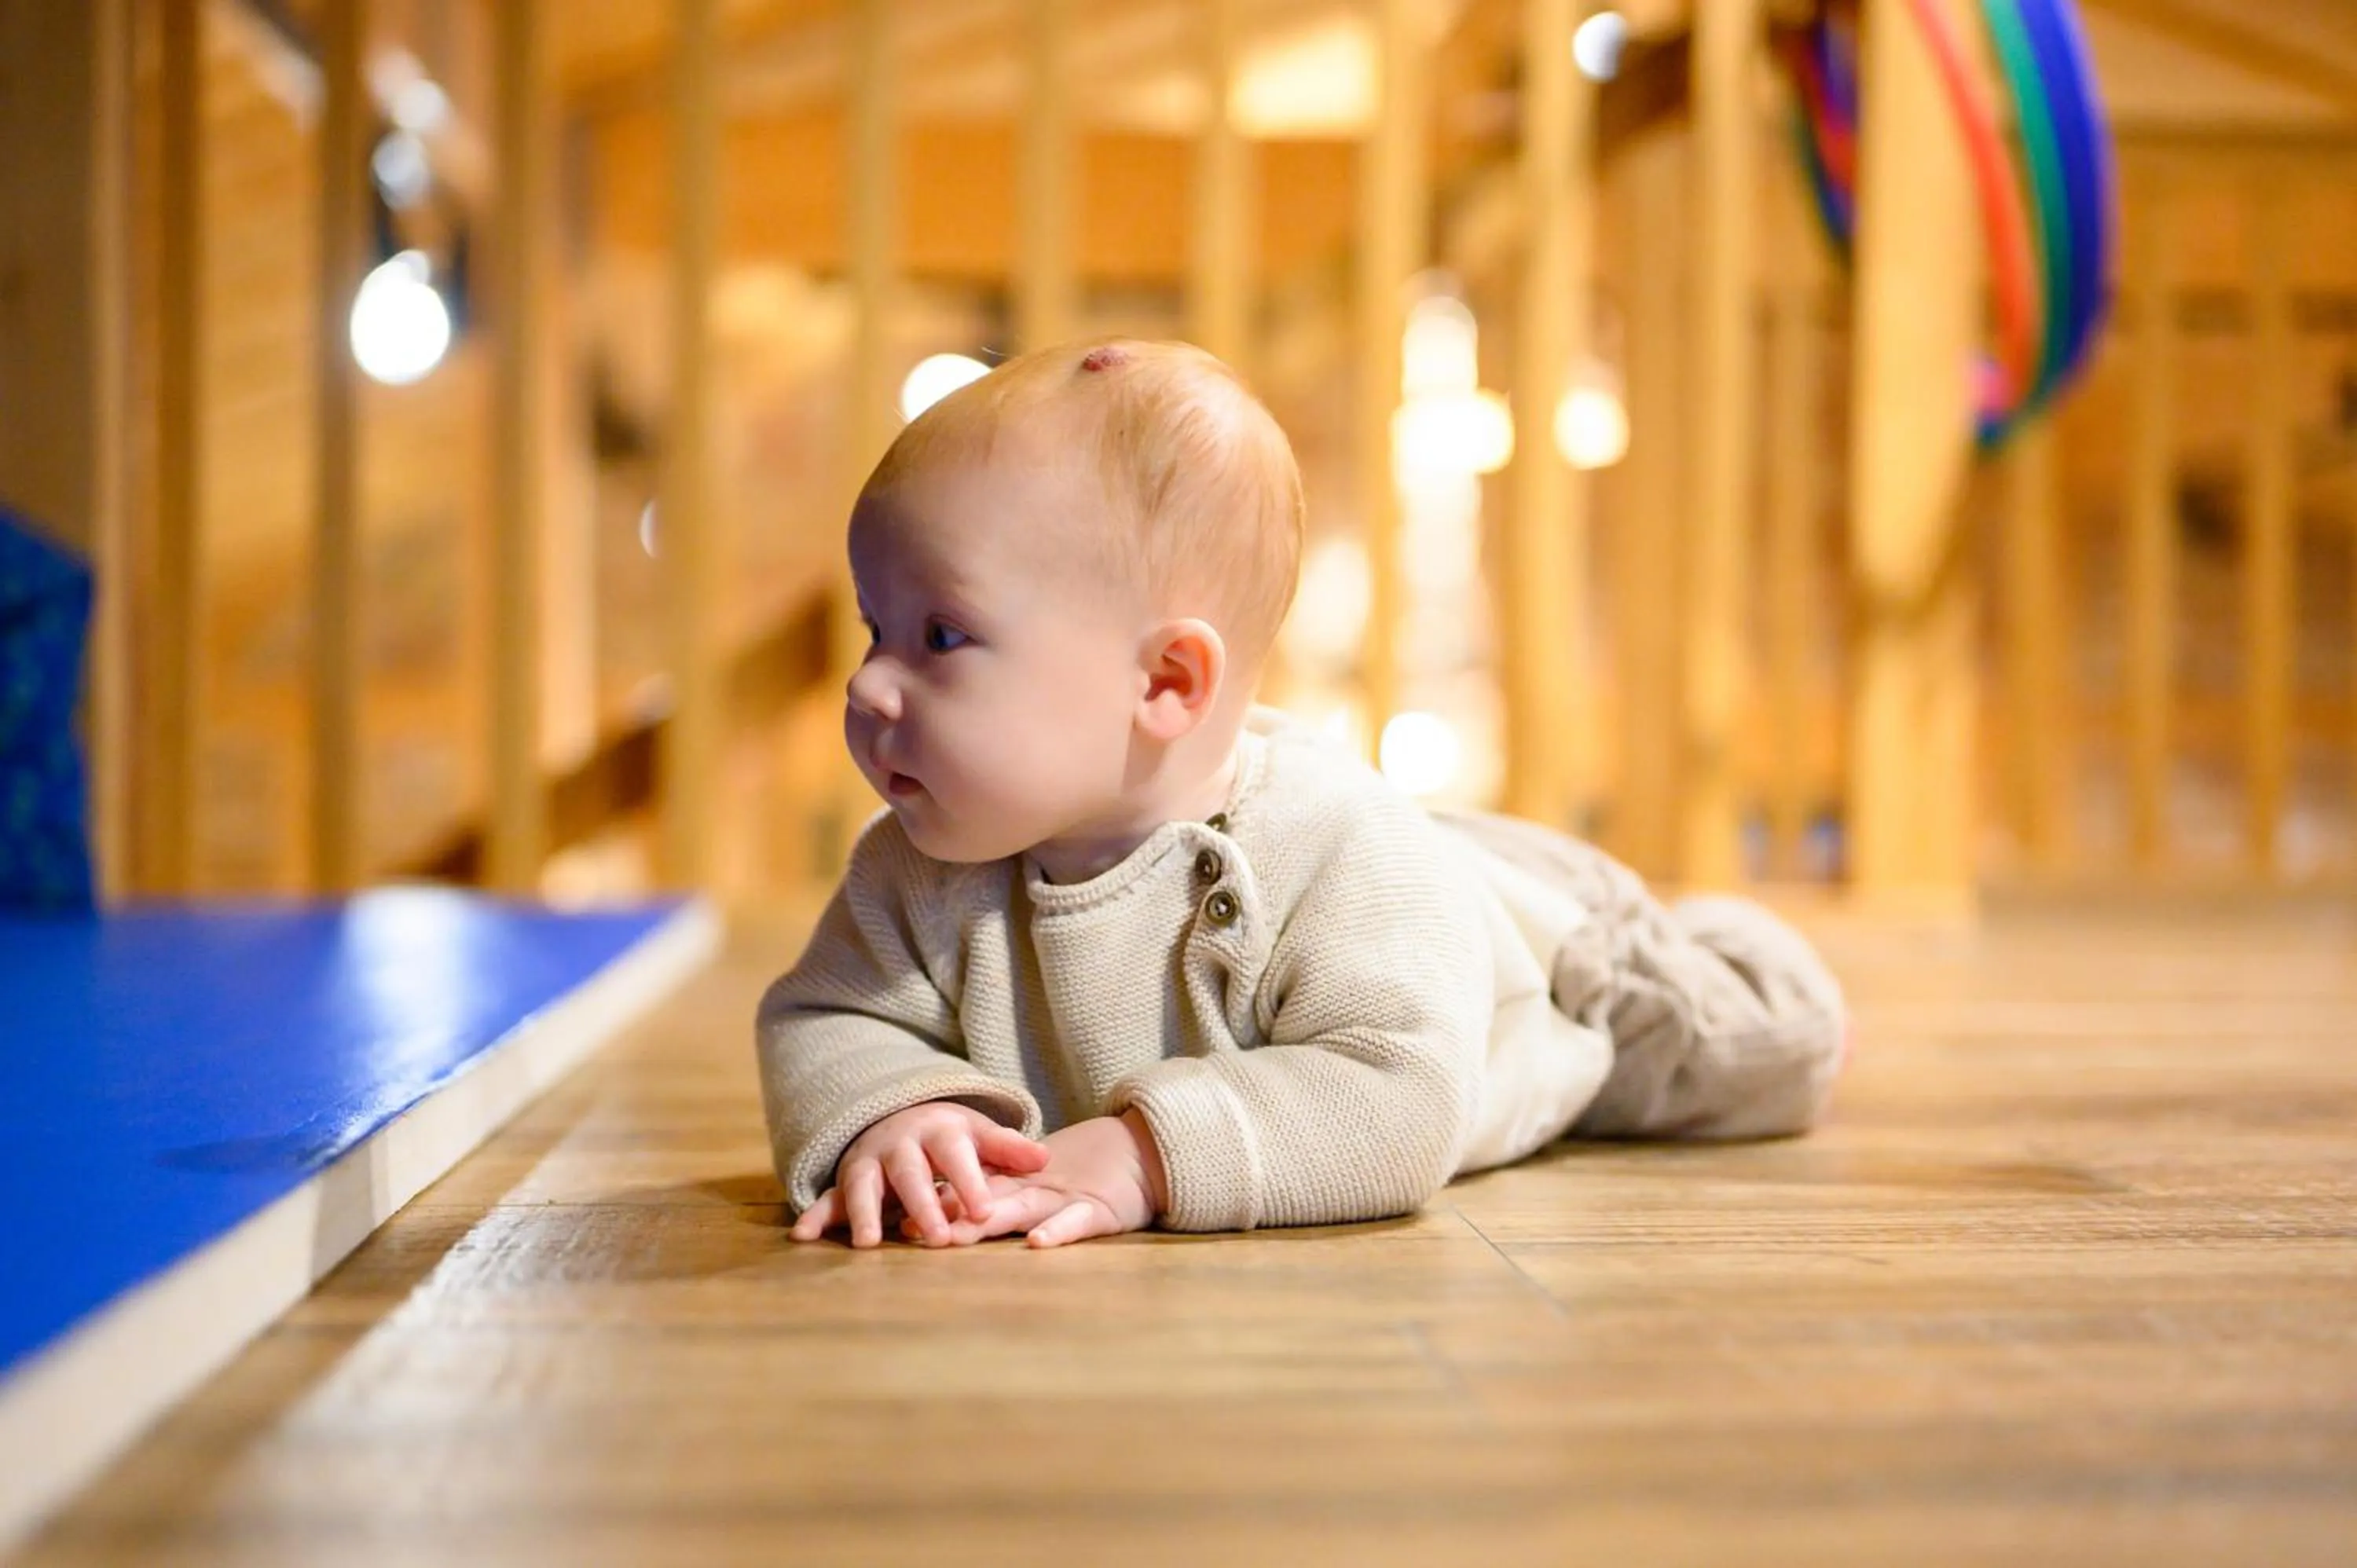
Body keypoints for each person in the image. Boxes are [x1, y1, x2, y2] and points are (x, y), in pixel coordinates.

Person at [757, 339, 1844, 1251]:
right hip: (1426, 890)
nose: (869, 685)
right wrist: (899, 1112)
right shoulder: (914, 869)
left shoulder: (1338, 849)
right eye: (876, 628)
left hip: (1546, 968)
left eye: (941, 636)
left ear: (1165, 683)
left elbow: (1401, 1099)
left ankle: (1707, 932)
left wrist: (1145, 1156)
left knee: (1770, 1043)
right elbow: (828, 1016)